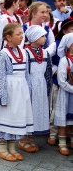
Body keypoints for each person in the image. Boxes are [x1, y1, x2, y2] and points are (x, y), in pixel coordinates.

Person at [0, 23, 33, 161]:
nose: (22, 36)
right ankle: (2, 149)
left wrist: (28, 91)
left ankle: (12, 147)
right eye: (18, 34)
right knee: (5, 117)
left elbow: (26, 73)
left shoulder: (24, 52)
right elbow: (0, 77)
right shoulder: (2, 55)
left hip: (20, 91)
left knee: (16, 117)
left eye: (22, 33)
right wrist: (3, 97)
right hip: (8, 91)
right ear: (8, 37)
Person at [24, 25, 52, 152]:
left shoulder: (45, 53)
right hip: (30, 85)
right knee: (28, 112)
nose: (45, 38)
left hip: (41, 85)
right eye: (42, 36)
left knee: (37, 111)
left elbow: (48, 72)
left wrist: (47, 87)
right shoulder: (26, 53)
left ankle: (31, 138)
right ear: (34, 37)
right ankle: (24, 139)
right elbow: (25, 72)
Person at [46, 17, 73, 146]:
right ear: (65, 31)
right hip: (59, 83)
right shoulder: (56, 44)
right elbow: (44, 56)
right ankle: (53, 134)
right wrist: (54, 68)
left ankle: (67, 135)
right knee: (57, 108)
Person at [54, 33, 73, 155]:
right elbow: (61, 80)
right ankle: (61, 143)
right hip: (66, 94)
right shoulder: (64, 60)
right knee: (64, 119)